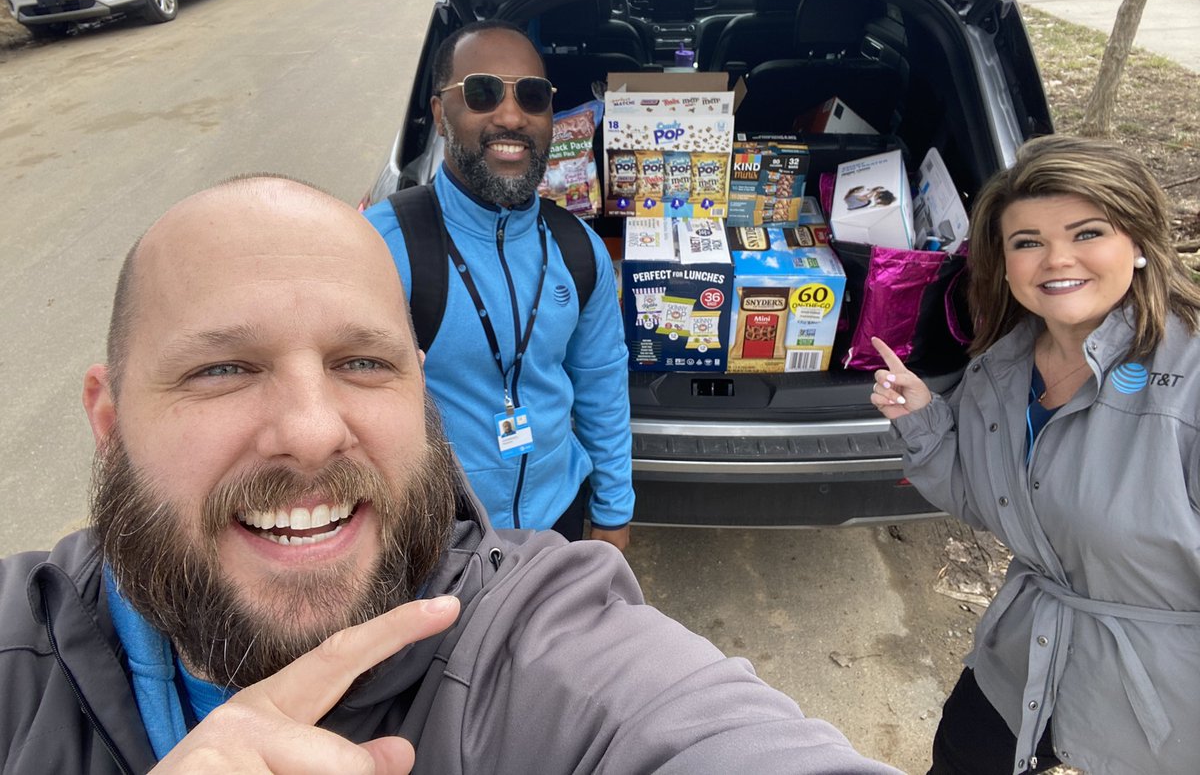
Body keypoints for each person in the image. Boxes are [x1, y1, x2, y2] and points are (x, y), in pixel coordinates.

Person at [1, 176, 902, 774]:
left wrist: (615, 510)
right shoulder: (17, 658)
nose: (312, 433)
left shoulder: (544, 652)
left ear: (418, 389)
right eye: (221, 369)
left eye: (363, 362)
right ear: (108, 421)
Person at [869, 135, 1200, 775]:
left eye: (1087, 233)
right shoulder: (1003, 366)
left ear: (1138, 245)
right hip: (1024, 658)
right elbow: (989, 502)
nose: (1056, 259)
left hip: (1164, 712)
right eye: (1027, 242)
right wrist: (925, 424)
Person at [364, 20, 633, 550]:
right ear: (441, 115)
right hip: (437, 536)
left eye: (532, 97)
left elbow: (602, 387)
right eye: (483, 93)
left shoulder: (579, 249)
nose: (511, 116)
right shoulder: (381, 246)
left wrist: (613, 512)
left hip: (560, 518)